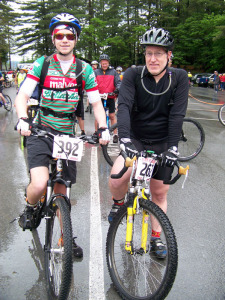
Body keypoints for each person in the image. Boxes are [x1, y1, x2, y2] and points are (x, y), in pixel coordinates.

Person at [15, 12, 110, 258]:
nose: (65, 39)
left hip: (67, 136)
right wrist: (23, 118)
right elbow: (22, 96)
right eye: (60, 35)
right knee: (38, 184)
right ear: (53, 38)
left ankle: (65, 237)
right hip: (40, 130)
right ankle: (29, 205)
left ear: (76, 39)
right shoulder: (42, 64)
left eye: (70, 35)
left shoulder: (85, 69)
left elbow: (97, 104)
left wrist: (103, 128)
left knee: (62, 189)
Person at [108, 27, 189, 258]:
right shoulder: (133, 74)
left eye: (159, 54)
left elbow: (177, 115)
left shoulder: (180, 78)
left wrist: (173, 148)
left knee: (159, 193)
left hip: (163, 140)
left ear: (169, 55)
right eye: (148, 53)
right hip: (136, 137)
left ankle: (155, 237)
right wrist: (123, 138)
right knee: (117, 179)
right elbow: (122, 105)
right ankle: (117, 204)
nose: (153, 58)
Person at [94, 54, 121, 143]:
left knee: (112, 116)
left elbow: (118, 82)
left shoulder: (113, 72)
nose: (104, 65)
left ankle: (115, 134)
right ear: (100, 63)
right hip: (99, 97)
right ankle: (96, 133)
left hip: (110, 96)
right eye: (103, 63)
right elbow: (92, 82)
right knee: (98, 116)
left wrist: (117, 90)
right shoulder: (96, 72)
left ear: (108, 63)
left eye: (106, 63)